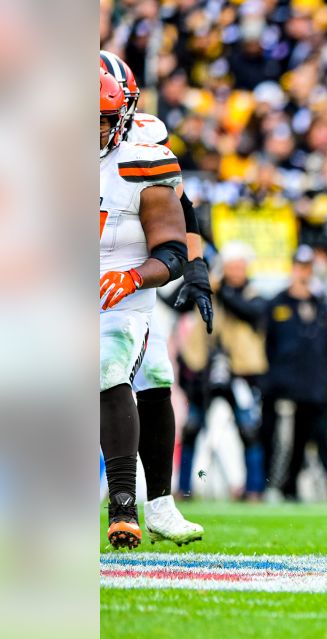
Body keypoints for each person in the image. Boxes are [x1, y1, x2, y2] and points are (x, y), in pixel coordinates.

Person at [102, 50, 211, 544]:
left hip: (126, 285)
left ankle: (150, 505)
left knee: (150, 374)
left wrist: (197, 269)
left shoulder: (145, 152)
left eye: (102, 119)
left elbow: (181, 221)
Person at [176, 242, 269, 500]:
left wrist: (220, 288)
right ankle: (184, 487)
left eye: (239, 267)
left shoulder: (254, 294)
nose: (236, 272)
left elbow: (248, 311)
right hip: (204, 371)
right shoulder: (211, 291)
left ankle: (254, 489)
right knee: (192, 428)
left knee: (249, 430)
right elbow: (177, 305)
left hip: (241, 372)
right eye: (231, 267)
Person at [261, 245, 327, 501]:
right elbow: (266, 345)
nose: (303, 273)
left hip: (314, 389)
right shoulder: (277, 304)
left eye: (307, 268)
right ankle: (275, 486)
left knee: (312, 440)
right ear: (292, 268)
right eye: (300, 267)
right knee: (282, 441)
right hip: (284, 389)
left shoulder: (320, 306)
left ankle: (297, 488)